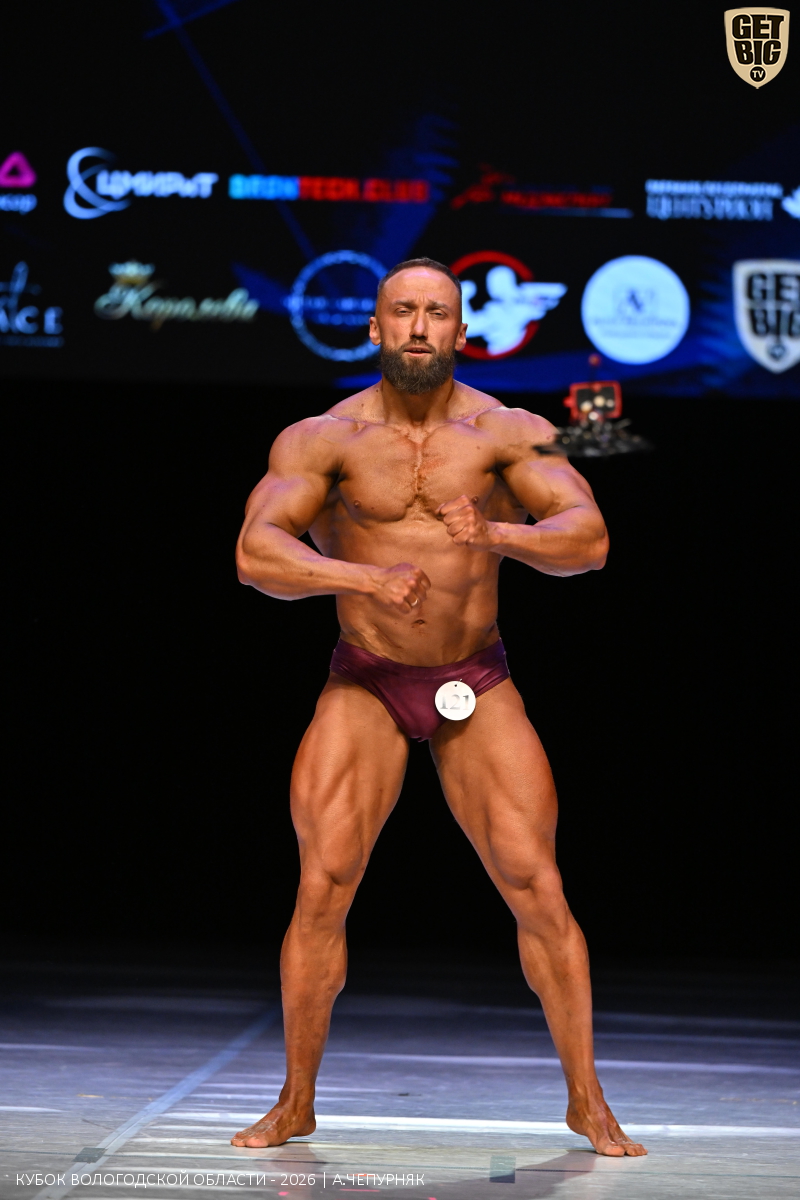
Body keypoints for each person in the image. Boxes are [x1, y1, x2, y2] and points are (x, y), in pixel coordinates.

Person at [232, 257, 646, 1157]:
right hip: (366, 677)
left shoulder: (511, 431)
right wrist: (362, 576)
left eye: (436, 313)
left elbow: (590, 539)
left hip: (475, 677)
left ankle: (587, 1101)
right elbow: (255, 555)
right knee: (322, 886)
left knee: (537, 886)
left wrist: (496, 531)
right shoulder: (322, 438)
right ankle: (295, 1101)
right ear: (375, 326)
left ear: (462, 330)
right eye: (403, 312)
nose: (419, 327)